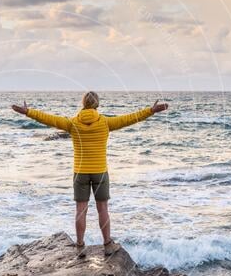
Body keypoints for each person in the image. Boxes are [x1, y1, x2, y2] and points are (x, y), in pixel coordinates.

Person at [12, 91, 168, 256]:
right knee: (103, 209)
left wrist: (28, 112)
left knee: (80, 210)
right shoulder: (106, 122)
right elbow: (130, 118)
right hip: (100, 172)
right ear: (97, 104)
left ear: (83, 104)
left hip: (80, 172)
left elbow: (49, 119)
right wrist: (151, 111)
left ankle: (80, 247)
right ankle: (107, 245)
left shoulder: (72, 123)